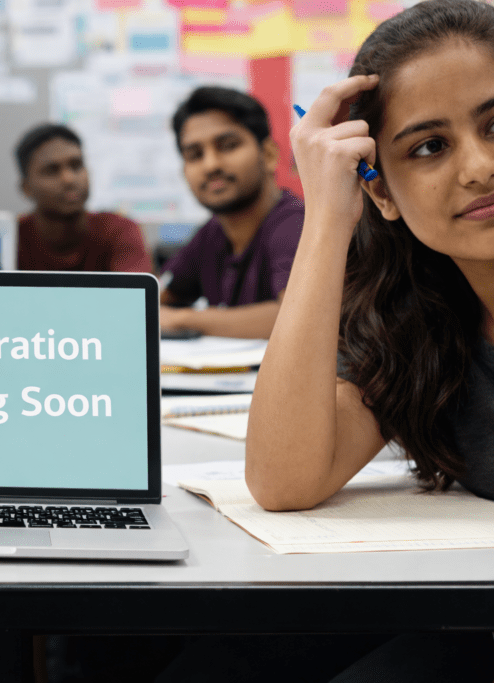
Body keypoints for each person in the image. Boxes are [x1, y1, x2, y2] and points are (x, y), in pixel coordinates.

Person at [229, 0, 494, 677]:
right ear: (383, 193)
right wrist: (326, 216)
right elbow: (285, 480)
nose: (478, 167)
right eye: (429, 146)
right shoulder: (419, 325)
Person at [160, 87, 305, 339]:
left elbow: (301, 317)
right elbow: (160, 299)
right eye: (195, 155)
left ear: (269, 154)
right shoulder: (211, 234)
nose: (211, 165)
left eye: (228, 146)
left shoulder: (294, 224)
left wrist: (184, 318)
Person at [14, 123, 152, 273]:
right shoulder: (12, 239)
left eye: (76, 165)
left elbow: (134, 295)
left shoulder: (119, 231)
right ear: (26, 187)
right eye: (51, 170)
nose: (69, 179)